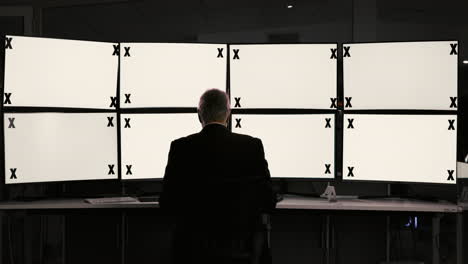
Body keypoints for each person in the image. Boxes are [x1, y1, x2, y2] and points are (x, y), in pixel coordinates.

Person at [160, 88, 276, 264]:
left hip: (194, 252)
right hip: (240, 250)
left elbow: (167, 204)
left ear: (199, 115)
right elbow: (269, 200)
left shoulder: (181, 148)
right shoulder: (252, 146)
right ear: (228, 114)